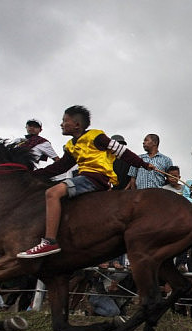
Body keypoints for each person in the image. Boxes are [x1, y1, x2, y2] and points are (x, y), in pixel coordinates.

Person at [17, 105, 155, 258]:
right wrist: (33, 175)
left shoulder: (97, 136)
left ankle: (50, 242)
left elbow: (122, 152)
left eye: (64, 121)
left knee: (52, 193)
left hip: (95, 178)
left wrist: (143, 164)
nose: (61, 124)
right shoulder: (71, 146)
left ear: (77, 125)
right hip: (83, 178)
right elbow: (60, 167)